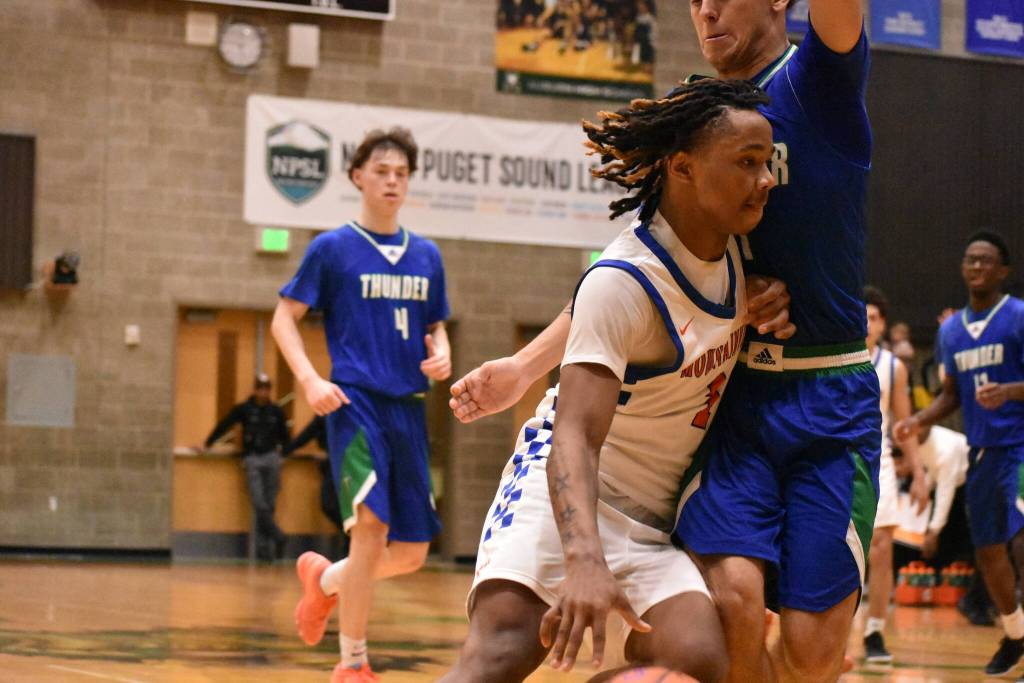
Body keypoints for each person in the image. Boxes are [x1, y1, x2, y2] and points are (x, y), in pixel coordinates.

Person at [450, 1, 876, 680]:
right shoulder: (696, 117)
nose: (704, 10)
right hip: (734, 403)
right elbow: (635, 274)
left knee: (809, 651)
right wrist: (528, 364)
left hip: (827, 391)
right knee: (729, 609)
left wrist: (751, 292)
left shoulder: (814, 78)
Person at [441, 77, 778, 683]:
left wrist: (522, 367)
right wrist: (584, 559)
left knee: (696, 662)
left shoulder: (736, 251)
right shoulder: (622, 279)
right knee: (500, 655)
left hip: (651, 522)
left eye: (768, 161)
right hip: (565, 494)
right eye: (748, 162)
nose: (767, 179)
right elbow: (573, 435)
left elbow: (600, 316)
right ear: (683, 167)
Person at [271, 127, 452, 683]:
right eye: (382, 171)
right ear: (358, 177)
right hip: (355, 403)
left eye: (401, 172)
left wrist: (442, 353)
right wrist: (308, 380)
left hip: (408, 409)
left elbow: (435, 326)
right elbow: (283, 320)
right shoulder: (332, 248)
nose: (393, 180)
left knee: (414, 551)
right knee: (370, 529)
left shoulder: (427, 255)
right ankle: (352, 663)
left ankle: (324, 582)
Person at [895, 231, 1024, 677]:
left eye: (986, 261)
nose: (976, 267)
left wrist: (1011, 390)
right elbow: (951, 395)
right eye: (970, 259)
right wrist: (920, 420)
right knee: (988, 550)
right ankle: (1014, 635)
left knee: (1021, 538)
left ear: (1002, 271)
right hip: (983, 451)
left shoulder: (1019, 317)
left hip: (1021, 446)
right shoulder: (951, 332)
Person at [861, 286, 928, 664]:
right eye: (861, 315)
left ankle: (874, 631)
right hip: (836, 462)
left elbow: (905, 425)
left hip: (880, 460)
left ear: (882, 324)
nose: (865, 323)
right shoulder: (836, 356)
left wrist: (917, 472)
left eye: (872, 317)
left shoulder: (892, 366)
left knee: (882, 547)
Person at [202, 373, 290, 562]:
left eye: (267, 388)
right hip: (252, 458)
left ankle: (265, 550)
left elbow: (285, 437)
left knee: (270, 504)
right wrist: (208, 442)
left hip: (271, 458)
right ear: (255, 389)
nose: (263, 392)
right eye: (260, 388)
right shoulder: (244, 409)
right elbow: (225, 424)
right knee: (259, 503)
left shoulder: (276, 411)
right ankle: (277, 536)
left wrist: (284, 454)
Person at [284, 415, 344, 533]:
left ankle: (351, 539)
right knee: (329, 505)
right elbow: (308, 433)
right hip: (333, 464)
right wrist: (285, 450)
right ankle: (350, 536)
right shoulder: (326, 413)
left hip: (350, 463)